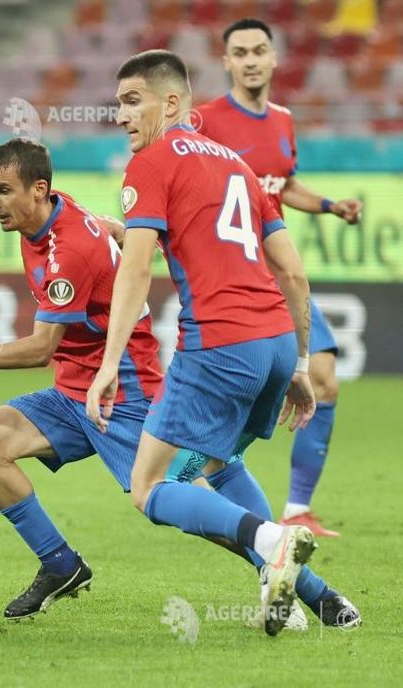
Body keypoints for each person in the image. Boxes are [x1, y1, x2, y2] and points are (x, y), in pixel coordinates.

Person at [0, 138, 358, 631]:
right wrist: (114, 229)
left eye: (3, 190)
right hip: (72, 393)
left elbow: (40, 348)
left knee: (184, 500)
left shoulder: (66, 251)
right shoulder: (57, 212)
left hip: (123, 396)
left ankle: (313, 589)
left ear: (39, 190)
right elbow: (106, 235)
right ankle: (60, 564)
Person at [87, 49, 325, 637]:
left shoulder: (150, 162)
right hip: (273, 345)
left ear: (171, 102)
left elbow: (135, 271)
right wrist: (297, 361)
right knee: (221, 464)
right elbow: (293, 273)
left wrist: (109, 362)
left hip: (218, 346)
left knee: (148, 488)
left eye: (131, 100)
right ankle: (320, 601)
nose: (121, 115)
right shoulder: (237, 165)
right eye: (118, 102)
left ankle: (269, 541)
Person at [194, 18, 362, 536]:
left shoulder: (283, 120)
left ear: (273, 58)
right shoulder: (205, 122)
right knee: (245, 396)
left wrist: (330, 205)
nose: (249, 60)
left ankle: (295, 511)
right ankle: (198, 475)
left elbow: (281, 186)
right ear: (225, 61)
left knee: (325, 377)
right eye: (239, 51)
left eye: (259, 50)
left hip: (279, 275)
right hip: (235, 278)